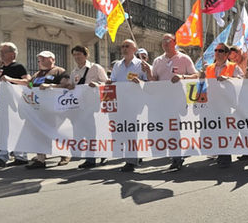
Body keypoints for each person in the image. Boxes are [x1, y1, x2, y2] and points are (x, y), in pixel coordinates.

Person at [3, 50, 70, 169]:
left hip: (55, 109)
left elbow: (68, 85)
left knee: (57, 132)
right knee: (39, 132)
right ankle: (40, 159)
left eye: (44, 58)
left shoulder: (59, 71)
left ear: (52, 60)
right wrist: (10, 81)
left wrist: (51, 86)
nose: (40, 60)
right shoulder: (37, 75)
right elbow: (28, 85)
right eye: (39, 59)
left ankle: (64, 154)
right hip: (39, 110)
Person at [149, 33, 198, 170]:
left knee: (176, 128)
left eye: (168, 41)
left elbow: (196, 75)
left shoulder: (184, 58)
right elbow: (154, 80)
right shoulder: (158, 60)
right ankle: (176, 155)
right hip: (163, 101)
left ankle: (177, 157)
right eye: (163, 41)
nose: (165, 43)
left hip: (180, 100)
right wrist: (148, 73)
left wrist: (182, 77)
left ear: (174, 42)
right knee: (168, 130)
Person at [110, 39, 151, 172]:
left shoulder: (141, 65)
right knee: (124, 132)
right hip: (121, 103)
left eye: (127, 46)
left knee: (132, 132)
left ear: (134, 49)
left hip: (136, 103)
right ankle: (134, 155)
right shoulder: (117, 65)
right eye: (122, 46)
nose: (124, 48)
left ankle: (131, 161)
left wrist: (140, 81)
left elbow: (149, 83)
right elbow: (113, 82)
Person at [203, 43, 244, 168]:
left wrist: (228, 79)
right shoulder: (209, 68)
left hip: (228, 103)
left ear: (226, 54)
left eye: (220, 51)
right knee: (215, 130)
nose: (217, 53)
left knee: (226, 130)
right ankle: (221, 154)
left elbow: (241, 81)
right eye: (216, 50)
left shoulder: (233, 67)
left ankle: (225, 156)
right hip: (212, 103)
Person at [69, 45, 109, 169]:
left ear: (85, 55)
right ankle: (90, 158)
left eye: (79, 54)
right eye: (74, 55)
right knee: (87, 133)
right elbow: (72, 87)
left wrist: (97, 84)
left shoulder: (95, 68)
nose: (76, 57)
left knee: (96, 132)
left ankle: (99, 154)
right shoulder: (74, 72)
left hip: (96, 106)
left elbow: (107, 83)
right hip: (82, 107)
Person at [0, 42, 31, 167]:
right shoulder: (1, 69)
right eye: (0, 51)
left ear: (12, 54)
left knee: (13, 128)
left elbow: (29, 83)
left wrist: (10, 80)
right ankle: (20, 156)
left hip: (16, 104)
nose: (0, 53)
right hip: (2, 104)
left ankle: (3, 156)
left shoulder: (18, 67)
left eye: (4, 51)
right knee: (4, 128)